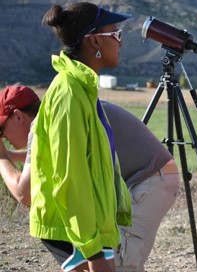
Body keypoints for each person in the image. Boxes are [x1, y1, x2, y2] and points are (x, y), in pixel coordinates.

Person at [0, 85, 180, 272]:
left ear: (18, 116)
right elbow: (48, 155)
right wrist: (10, 155)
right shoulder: (59, 111)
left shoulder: (44, 122)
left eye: (1, 129)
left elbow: (24, 194)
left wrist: (1, 156)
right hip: (152, 178)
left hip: (147, 181)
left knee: (118, 266)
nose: (4, 137)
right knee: (108, 262)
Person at [29, 2, 133, 272]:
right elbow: (70, 176)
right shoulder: (69, 93)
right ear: (95, 40)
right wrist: (92, 248)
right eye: (116, 35)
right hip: (73, 228)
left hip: (90, 224)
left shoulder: (83, 87)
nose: (120, 43)